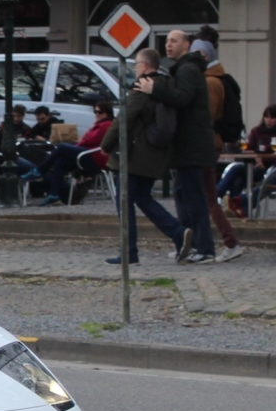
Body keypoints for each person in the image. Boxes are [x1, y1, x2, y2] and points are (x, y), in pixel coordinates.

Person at [101, 47, 193, 265]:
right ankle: (178, 233)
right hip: (155, 154)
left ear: (143, 65)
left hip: (134, 155)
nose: (134, 69)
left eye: (136, 65)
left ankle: (129, 252)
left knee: (125, 202)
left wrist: (106, 145)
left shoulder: (143, 87)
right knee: (143, 198)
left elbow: (124, 119)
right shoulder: (166, 86)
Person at [134, 29, 216, 262]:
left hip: (193, 145)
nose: (169, 45)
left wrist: (155, 90)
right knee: (182, 195)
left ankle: (204, 248)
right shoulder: (182, 68)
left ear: (187, 45)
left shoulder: (188, 69)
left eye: (174, 41)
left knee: (193, 198)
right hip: (184, 145)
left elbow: (182, 98)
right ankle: (187, 242)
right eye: (167, 41)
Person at [192, 37, 244, 263]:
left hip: (207, 144)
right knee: (202, 195)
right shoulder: (212, 79)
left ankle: (229, 242)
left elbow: (207, 116)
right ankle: (202, 243)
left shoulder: (211, 82)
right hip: (209, 143)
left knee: (208, 197)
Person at [26, 102, 112, 205]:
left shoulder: (106, 125)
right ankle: (54, 194)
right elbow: (87, 139)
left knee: (62, 147)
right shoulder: (99, 125)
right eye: (95, 111)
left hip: (96, 156)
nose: (96, 114)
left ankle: (40, 170)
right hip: (89, 153)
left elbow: (91, 139)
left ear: (107, 113)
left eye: (100, 112)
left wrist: (79, 143)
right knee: (60, 162)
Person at [218, 104, 276, 218]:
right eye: (266, 117)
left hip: (272, 170)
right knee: (236, 169)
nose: (269, 120)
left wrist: (262, 158)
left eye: (272, 117)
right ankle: (216, 195)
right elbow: (248, 149)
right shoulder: (256, 131)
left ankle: (239, 205)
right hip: (256, 168)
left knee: (238, 180)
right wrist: (256, 158)